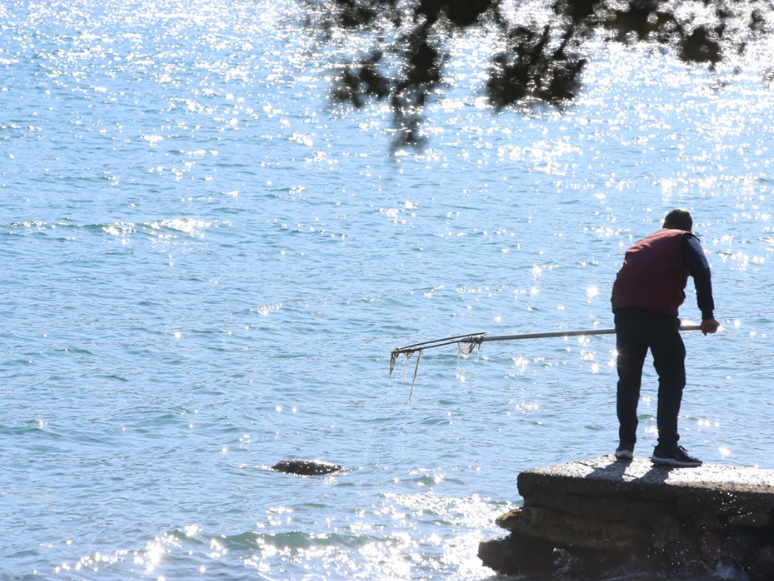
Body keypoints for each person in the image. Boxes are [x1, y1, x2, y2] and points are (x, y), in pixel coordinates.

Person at [611, 209, 719, 467]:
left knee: (628, 379)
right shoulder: (684, 238)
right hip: (655, 311)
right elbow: (702, 270)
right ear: (687, 227)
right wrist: (707, 315)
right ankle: (666, 447)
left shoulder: (645, 241)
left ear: (664, 225)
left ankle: (625, 445)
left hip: (623, 310)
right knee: (671, 375)